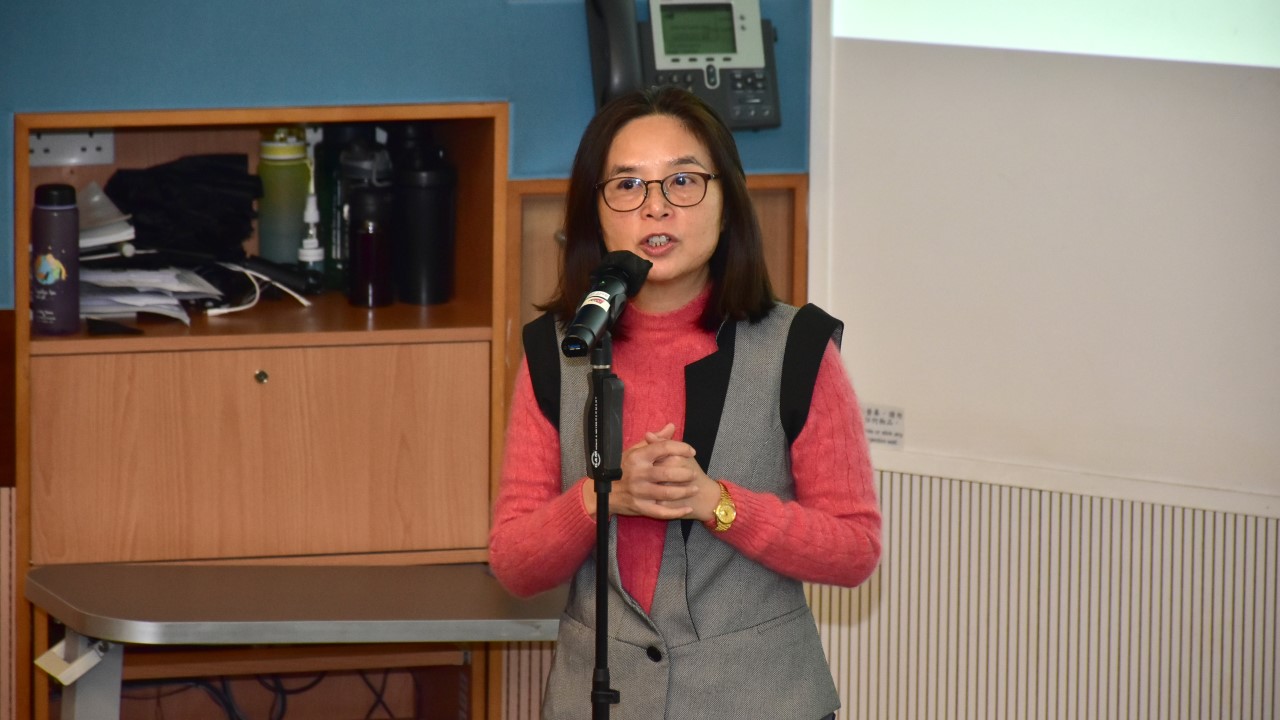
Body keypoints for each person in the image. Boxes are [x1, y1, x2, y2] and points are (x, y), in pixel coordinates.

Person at [489, 86, 882, 720]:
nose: (656, 207)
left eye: (682, 181)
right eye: (627, 185)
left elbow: (854, 549)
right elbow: (514, 564)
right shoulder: (559, 349)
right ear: (594, 212)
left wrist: (718, 503)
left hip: (761, 701)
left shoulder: (799, 347)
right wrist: (603, 496)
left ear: (728, 204)